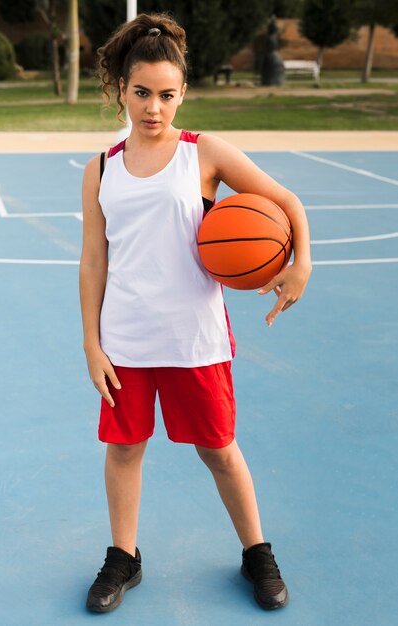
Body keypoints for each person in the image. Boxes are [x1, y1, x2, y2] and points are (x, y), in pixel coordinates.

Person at [79, 11, 311, 614]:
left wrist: (300, 262)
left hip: (194, 338)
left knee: (219, 449)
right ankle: (123, 557)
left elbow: (284, 201)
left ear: (183, 93)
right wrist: (91, 343)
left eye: (167, 94)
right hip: (125, 339)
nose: (154, 107)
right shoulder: (101, 169)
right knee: (124, 449)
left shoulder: (202, 153)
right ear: (121, 90)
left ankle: (256, 551)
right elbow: (93, 264)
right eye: (141, 93)